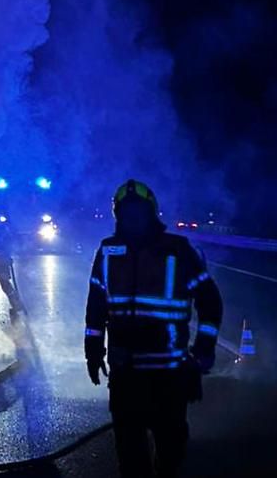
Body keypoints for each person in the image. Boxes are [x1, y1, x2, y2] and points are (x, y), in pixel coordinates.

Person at [84, 180, 223, 477]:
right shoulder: (108, 252)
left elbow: (210, 301)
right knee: (131, 458)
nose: (133, 218)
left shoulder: (178, 250)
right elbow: (96, 308)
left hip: (169, 375)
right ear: (118, 215)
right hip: (125, 374)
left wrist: (203, 350)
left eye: (139, 211)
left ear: (152, 213)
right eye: (127, 212)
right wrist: (93, 352)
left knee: (171, 453)